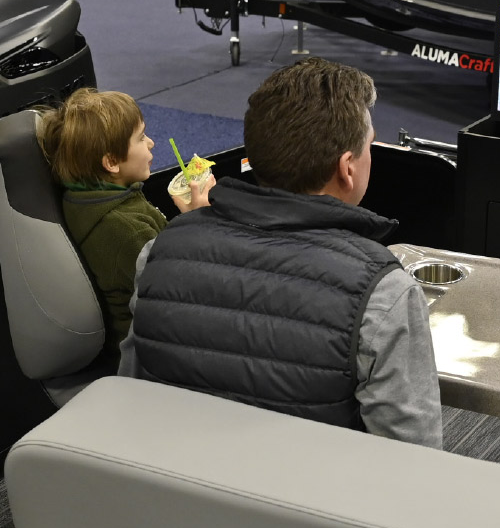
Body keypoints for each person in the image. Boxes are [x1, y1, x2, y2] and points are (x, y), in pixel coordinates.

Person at [118, 58, 442, 449]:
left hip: (174, 495)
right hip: (310, 505)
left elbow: (132, 397)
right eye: (369, 144)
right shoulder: (385, 295)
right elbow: (414, 462)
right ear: (347, 168)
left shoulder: (158, 253)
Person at [38, 88, 214, 365]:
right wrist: (199, 220)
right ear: (111, 162)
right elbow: (186, 288)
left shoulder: (83, 199)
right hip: (151, 349)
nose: (152, 143)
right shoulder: (126, 230)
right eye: (141, 138)